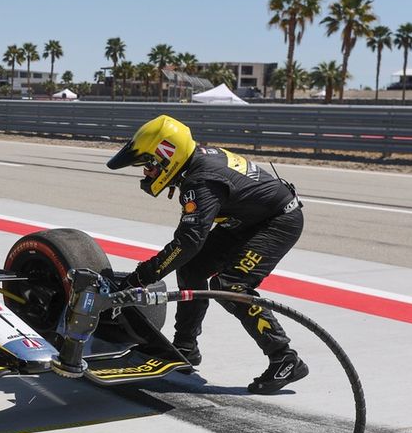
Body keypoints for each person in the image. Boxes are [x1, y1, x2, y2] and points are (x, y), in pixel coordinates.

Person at [106, 115, 307, 394]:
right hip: (248, 220)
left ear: (167, 157)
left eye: (148, 166)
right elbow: (191, 248)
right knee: (192, 268)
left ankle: (285, 358)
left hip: (277, 222)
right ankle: (186, 347)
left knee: (231, 285)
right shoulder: (196, 162)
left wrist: (142, 276)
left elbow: (188, 240)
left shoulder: (200, 182)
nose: (146, 174)